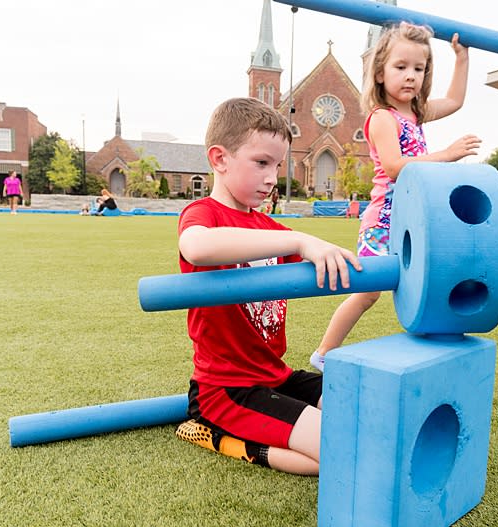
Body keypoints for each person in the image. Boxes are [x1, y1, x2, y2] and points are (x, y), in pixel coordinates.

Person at [174, 97, 361, 476]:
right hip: (226, 391)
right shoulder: (203, 215)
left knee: (366, 409)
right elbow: (196, 247)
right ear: (219, 159)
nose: (273, 177)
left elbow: (324, 259)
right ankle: (224, 439)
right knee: (342, 451)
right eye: (261, 162)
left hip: (276, 376)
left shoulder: (271, 229)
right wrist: (298, 242)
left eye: (278, 165)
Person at [309, 22, 481, 372]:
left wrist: (461, 58)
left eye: (419, 69)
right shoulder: (382, 118)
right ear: (379, 73)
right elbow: (394, 166)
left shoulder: (416, 114)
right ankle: (324, 353)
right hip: (384, 221)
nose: (410, 76)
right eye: (401, 67)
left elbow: (456, 100)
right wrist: (447, 154)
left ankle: (433, 346)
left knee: (429, 280)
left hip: (413, 220)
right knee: (368, 292)